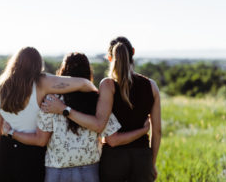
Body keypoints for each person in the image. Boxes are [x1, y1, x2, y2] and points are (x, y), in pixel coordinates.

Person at [2, 52, 150, 182]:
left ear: (63, 72)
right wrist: (143, 131)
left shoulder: (51, 100)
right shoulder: (97, 101)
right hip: (89, 170)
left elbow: (41, 140)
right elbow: (114, 139)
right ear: (88, 72)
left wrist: (11, 132)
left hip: (56, 170)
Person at [42, 37, 161, 182]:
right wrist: (151, 162)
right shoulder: (152, 86)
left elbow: (110, 138)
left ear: (110, 58)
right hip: (142, 158)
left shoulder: (107, 86)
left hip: (113, 160)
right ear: (133, 52)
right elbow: (158, 131)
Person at [0, 47, 97, 182]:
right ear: (38, 64)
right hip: (32, 155)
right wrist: (96, 93)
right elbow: (83, 83)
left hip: (4, 154)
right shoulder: (42, 83)